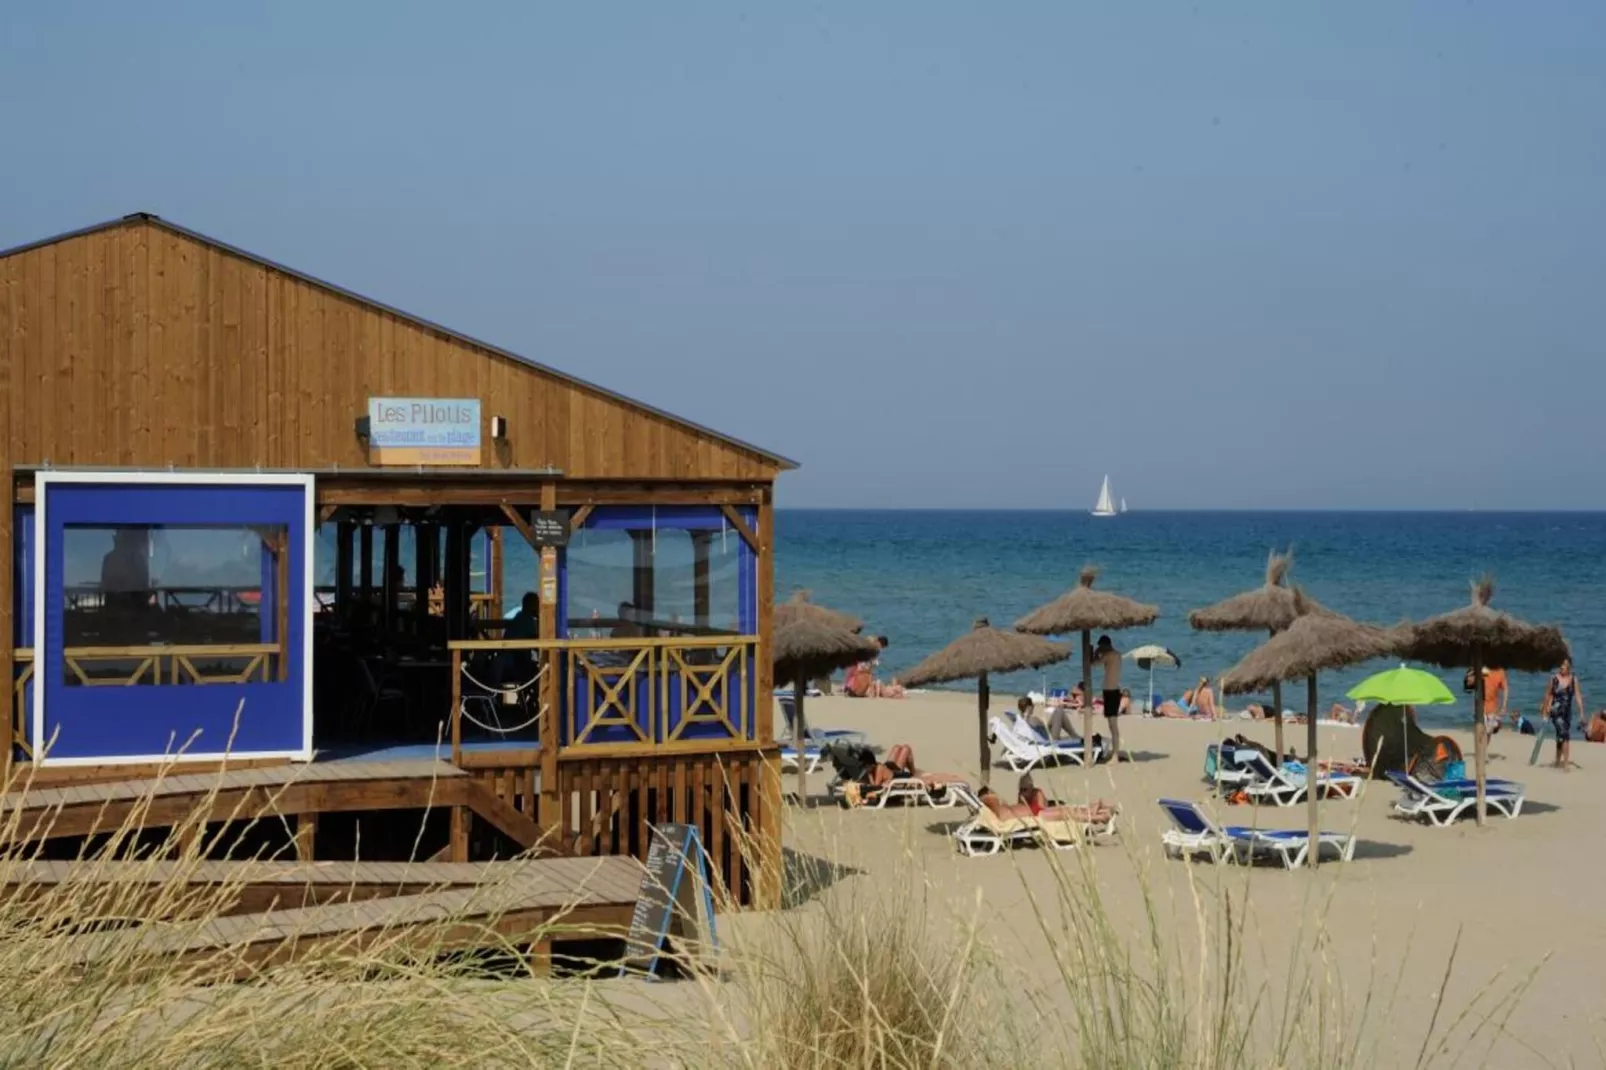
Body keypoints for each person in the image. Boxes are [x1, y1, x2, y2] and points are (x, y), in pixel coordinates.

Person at [1541, 658, 1584, 771]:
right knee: (1564, 734)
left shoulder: (1574, 680)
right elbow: (1547, 694)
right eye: (1561, 665)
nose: (1562, 667)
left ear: (1569, 666)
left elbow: (1578, 696)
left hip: (1567, 713)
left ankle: (1557, 760)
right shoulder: (1554, 678)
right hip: (1555, 712)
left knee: (1560, 736)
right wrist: (1545, 710)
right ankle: (1565, 764)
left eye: (1564, 665)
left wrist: (1581, 713)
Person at [1093, 635, 1127, 761]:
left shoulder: (1109, 656)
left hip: (1111, 691)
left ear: (1105, 645)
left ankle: (1115, 754)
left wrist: (1095, 652)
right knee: (1112, 724)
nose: (1100, 648)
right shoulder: (1117, 655)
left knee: (1113, 724)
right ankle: (1114, 752)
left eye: (1101, 646)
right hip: (1112, 690)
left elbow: (1093, 664)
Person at [1480, 666, 1509, 735]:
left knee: (1488, 732)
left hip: (1492, 708)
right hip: (1480, 707)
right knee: (1482, 731)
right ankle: (1496, 723)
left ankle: (1496, 724)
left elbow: (1505, 689)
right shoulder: (1482, 668)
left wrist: (1504, 706)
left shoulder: (1500, 672)